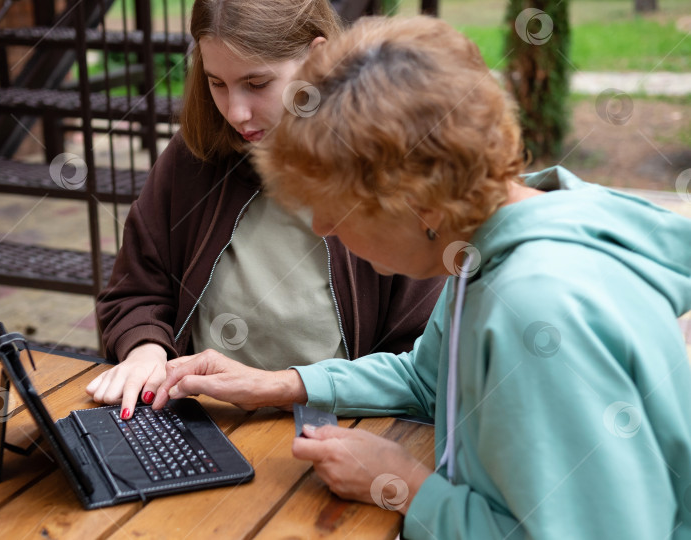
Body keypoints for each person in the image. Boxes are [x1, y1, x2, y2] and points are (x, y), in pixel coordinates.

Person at [149, 15, 691, 539]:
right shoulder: (488, 247)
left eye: (334, 209)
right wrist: (278, 385)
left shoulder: (538, 308)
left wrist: (407, 487)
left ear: (418, 201)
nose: (321, 227)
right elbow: (427, 380)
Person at [87, 0, 445, 421]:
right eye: (216, 83)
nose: (236, 112)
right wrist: (145, 349)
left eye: (256, 83)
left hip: (335, 429)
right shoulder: (194, 158)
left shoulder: (386, 167)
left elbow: (423, 366)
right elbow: (135, 292)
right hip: (198, 423)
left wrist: (290, 390)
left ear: (317, 57)